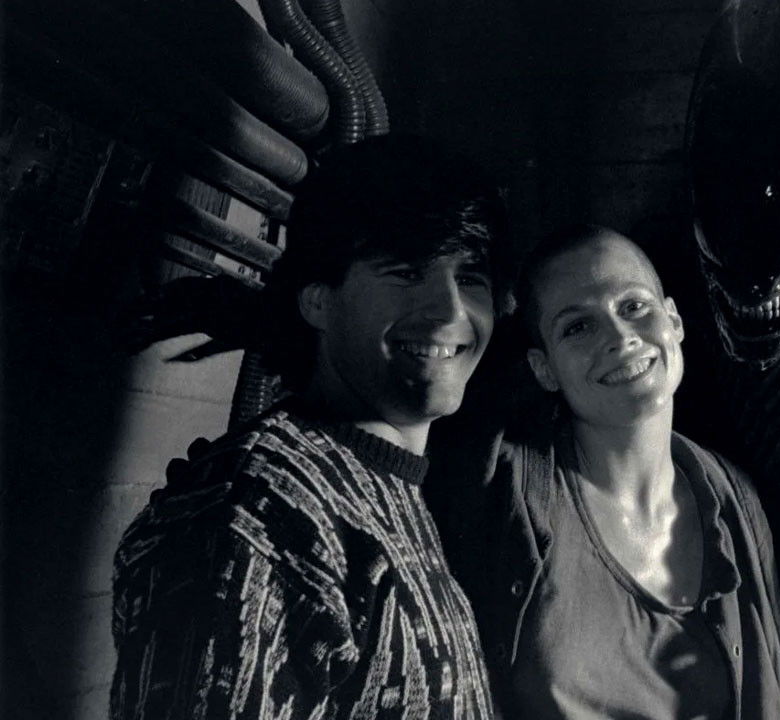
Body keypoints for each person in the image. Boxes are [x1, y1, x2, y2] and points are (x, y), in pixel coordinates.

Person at [111, 136, 505, 720]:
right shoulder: (258, 516)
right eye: (406, 272)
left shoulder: (380, 483)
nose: (450, 311)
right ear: (318, 300)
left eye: (470, 278)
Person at [434, 225, 780, 720]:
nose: (620, 337)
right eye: (577, 327)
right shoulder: (501, 491)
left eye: (633, 306)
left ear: (673, 321)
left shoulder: (734, 502)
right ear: (544, 368)